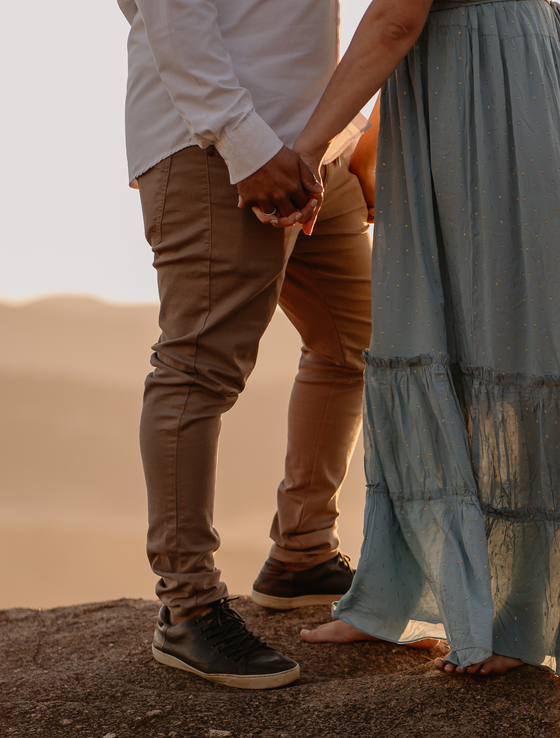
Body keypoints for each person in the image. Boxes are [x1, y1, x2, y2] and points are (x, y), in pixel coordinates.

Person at [284, 0, 560, 682]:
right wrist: (375, 144)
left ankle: (518, 622)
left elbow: (394, 22)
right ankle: (390, 594)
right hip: (471, 91)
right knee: (446, 334)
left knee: (510, 341)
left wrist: (307, 150)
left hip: (490, 100)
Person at [119, 0, 380, 689]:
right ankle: (189, 608)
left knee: (353, 342)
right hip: (220, 148)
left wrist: (355, 133)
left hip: (315, 145)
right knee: (198, 370)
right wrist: (241, 139)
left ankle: (302, 552)